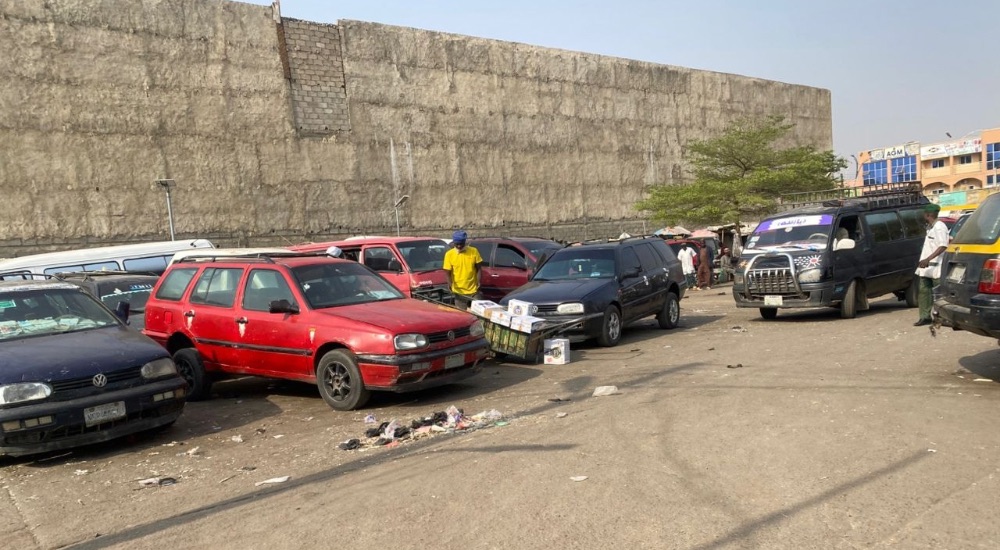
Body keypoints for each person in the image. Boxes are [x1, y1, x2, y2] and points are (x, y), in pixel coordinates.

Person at [914, 203, 949, 327]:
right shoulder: (930, 227)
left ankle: (942, 317)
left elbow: (943, 245)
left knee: (938, 295)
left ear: (928, 214)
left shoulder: (940, 227)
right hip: (926, 267)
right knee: (924, 292)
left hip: (936, 266)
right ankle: (924, 316)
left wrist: (928, 259)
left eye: (925, 213)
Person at [442, 230, 484, 310]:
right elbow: (447, 273)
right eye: (457, 244)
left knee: (478, 314)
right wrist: (450, 284)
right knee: (462, 314)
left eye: (461, 244)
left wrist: (479, 282)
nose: (459, 246)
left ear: (465, 242)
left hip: (474, 290)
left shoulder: (473, 251)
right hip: (459, 292)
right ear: (454, 243)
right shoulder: (449, 255)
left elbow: (479, 268)